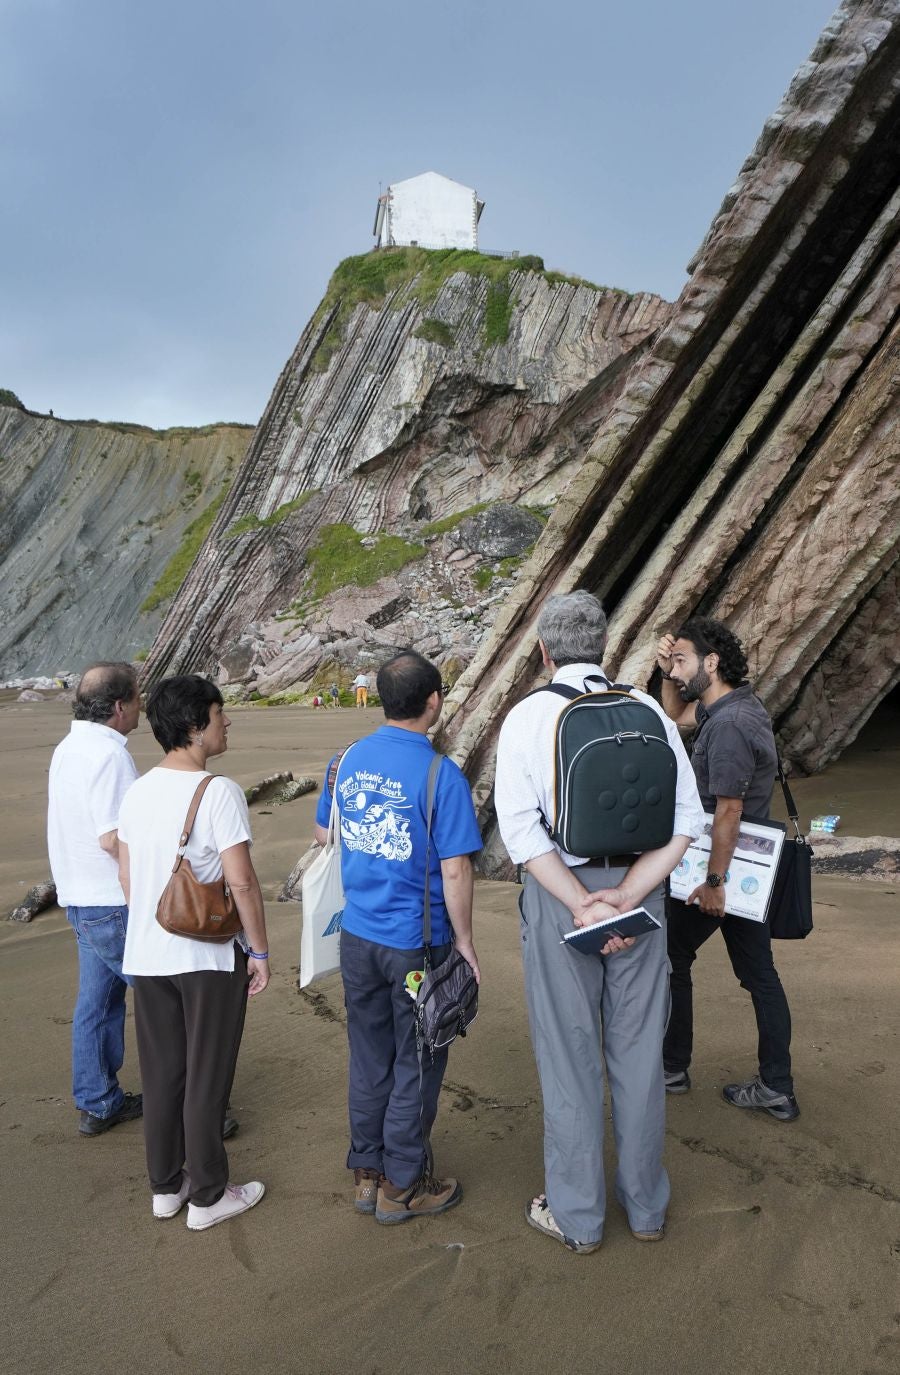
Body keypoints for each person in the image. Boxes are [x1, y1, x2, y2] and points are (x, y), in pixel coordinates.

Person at [494, 591, 703, 1253]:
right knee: (639, 1055)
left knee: (569, 1053)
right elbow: (687, 821)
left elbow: (521, 833)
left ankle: (579, 1217)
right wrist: (630, 893)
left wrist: (582, 902)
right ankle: (646, 1209)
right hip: (641, 894)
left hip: (562, 897)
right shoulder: (646, 708)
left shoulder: (528, 716)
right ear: (604, 646)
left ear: (544, 651)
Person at [313, 649, 482, 1225]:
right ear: (434, 701)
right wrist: (465, 943)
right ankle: (402, 1184)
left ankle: (367, 1172)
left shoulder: (347, 759)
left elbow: (324, 833)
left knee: (368, 1055)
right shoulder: (440, 774)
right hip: (417, 941)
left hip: (358, 935)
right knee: (416, 1060)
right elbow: (456, 870)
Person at [118, 675, 271, 1229]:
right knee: (207, 1075)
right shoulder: (217, 791)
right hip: (206, 955)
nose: (226, 721)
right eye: (218, 713)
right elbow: (242, 882)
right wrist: (259, 950)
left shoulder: (137, 791)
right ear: (194, 726)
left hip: (147, 952)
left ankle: (166, 1187)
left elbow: (128, 877)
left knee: (163, 1074)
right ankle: (208, 1196)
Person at [657, 618, 800, 1121]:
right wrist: (666, 671)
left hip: (726, 872)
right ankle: (776, 1085)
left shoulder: (730, 725)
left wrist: (714, 884)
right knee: (758, 975)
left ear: (712, 662)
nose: (677, 672)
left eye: (683, 661)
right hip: (749, 872)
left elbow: (729, 811)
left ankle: (672, 1067)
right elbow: (675, 715)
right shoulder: (734, 706)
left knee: (673, 954)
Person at [47, 662, 144, 1136]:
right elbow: (112, 837)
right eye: (138, 698)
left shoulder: (69, 747)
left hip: (80, 897)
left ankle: (98, 1101)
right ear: (120, 706)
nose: (142, 706)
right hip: (111, 900)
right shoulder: (109, 755)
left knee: (96, 1004)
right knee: (166, 1001)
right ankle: (193, 1105)